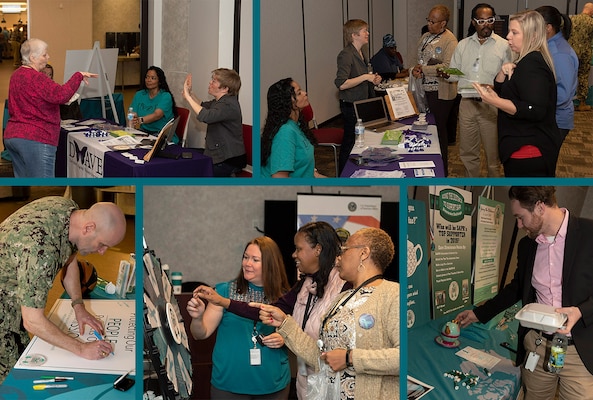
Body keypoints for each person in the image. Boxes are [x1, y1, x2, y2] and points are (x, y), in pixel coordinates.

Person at [456, 186, 593, 399]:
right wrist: (478, 314)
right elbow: (517, 288)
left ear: (539, 207)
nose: (519, 225)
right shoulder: (527, 245)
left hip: (579, 351)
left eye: (521, 217)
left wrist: (581, 311)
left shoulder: (588, 234)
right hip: (537, 345)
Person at [196, 221, 348, 399]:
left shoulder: (345, 287)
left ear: (318, 250)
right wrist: (223, 301)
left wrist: (284, 335)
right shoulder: (306, 284)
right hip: (308, 383)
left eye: (299, 249)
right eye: (245, 257)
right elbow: (269, 312)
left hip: (333, 383)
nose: (294, 254)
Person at [252, 227, 400, 400]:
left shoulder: (392, 294)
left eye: (344, 250)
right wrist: (285, 323)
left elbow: (404, 355)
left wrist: (350, 357)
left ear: (364, 253)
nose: (338, 258)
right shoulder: (342, 298)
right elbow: (321, 357)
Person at [0, 197, 127, 383]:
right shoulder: (39, 251)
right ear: (89, 228)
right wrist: (81, 348)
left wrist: (78, 306)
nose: (102, 252)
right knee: (14, 380)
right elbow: (33, 321)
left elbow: (70, 258)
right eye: (102, 244)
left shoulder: (68, 209)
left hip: (11, 289)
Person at [186, 236, 292, 399]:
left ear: (271, 264)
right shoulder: (223, 292)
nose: (247, 263)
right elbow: (200, 334)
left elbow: (299, 335)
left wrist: (284, 337)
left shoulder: (286, 297)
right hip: (228, 386)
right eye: (245, 257)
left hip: (273, 386)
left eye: (255, 260)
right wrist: (198, 318)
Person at [472, 10, 561, 177]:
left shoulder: (532, 64)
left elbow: (534, 109)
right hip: (521, 147)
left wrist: (494, 101)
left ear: (532, 36)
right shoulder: (524, 60)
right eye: (509, 31)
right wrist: (502, 71)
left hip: (528, 152)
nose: (508, 37)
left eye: (514, 32)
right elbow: (504, 91)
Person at [4, 38, 97, 177]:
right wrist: (78, 76)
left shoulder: (16, 75)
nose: (48, 57)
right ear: (32, 58)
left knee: (24, 182)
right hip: (36, 137)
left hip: (14, 136)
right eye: (44, 54)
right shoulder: (37, 78)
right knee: (44, 186)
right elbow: (61, 95)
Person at [443, 3, 511, 177]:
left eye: (490, 20)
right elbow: (455, 72)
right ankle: (471, 191)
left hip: (491, 106)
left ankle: (494, 195)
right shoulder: (463, 45)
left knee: (493, 157)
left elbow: (511, 78)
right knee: (468, 154)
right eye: (481, 21)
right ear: (474, 22)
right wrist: (444, 73)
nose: (486, 24)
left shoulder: (504, 46)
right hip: (467, 105)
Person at [412, 5, 458, 176]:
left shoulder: (450, 40)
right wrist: (416, 69)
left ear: (443, 23)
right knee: (425, 130)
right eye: (428, 20)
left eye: (433, 21)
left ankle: (441, 172)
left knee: (438, 132)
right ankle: (424, 168)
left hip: (441, 92)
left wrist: (424, 69)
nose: (429, 24)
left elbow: (449, 68)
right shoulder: (425, 36)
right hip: (423, 90)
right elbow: (419, 59)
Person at [335, 19, 382, 175]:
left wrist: (373, 78)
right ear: (354, 35)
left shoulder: (362, 53)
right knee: (349, 144)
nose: (367, 34)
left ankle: (359, 171)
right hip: (351, 105)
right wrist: (365, 77)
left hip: (363, 103)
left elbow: (362, 77)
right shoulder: (346, 54)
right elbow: (341, 83)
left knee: (361, 142)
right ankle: (343, 175)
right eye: (364, 31)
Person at [183, 68, 246, 177]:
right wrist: (190, 93)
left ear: (225, 88)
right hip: (220, 154)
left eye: (214, 81)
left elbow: (206, 116)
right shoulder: (221, 101)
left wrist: (188, 97)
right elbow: (202, 106)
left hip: (229, 159)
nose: (210, 82)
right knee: (186, 157)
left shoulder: (228, 105)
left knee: (192, 171)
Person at [261, 78, 323, 178]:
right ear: (287, 102)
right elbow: (279, 179)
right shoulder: (285, 133)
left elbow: (306, 170)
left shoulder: (296, 124)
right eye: (299, 93)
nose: (305, 93)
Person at [536, 6, 578, 141]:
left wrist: (533, 102)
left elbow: (562, 95)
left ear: (548, 28)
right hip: (549, 117)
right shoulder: (550, 47)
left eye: (536, 26)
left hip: (555, 120)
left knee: (545, 160)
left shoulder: (560, 53)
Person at [130, 66, 176, 135]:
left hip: (161, 134)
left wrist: (140, 120)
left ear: (159, 81)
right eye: (147, 77)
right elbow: (132, 113)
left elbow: (157, 115)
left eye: (153, 78)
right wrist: (131, 127)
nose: (148, 80)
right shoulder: (139, 94)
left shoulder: (165, 96)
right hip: (144, 132)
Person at [568, 3, 593, 111]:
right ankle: (582, 103)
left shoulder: (571, 19)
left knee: (567, 76)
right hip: (584, 54)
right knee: (583, 77)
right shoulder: (591, 22)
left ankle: (565, 101)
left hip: (570, 53)